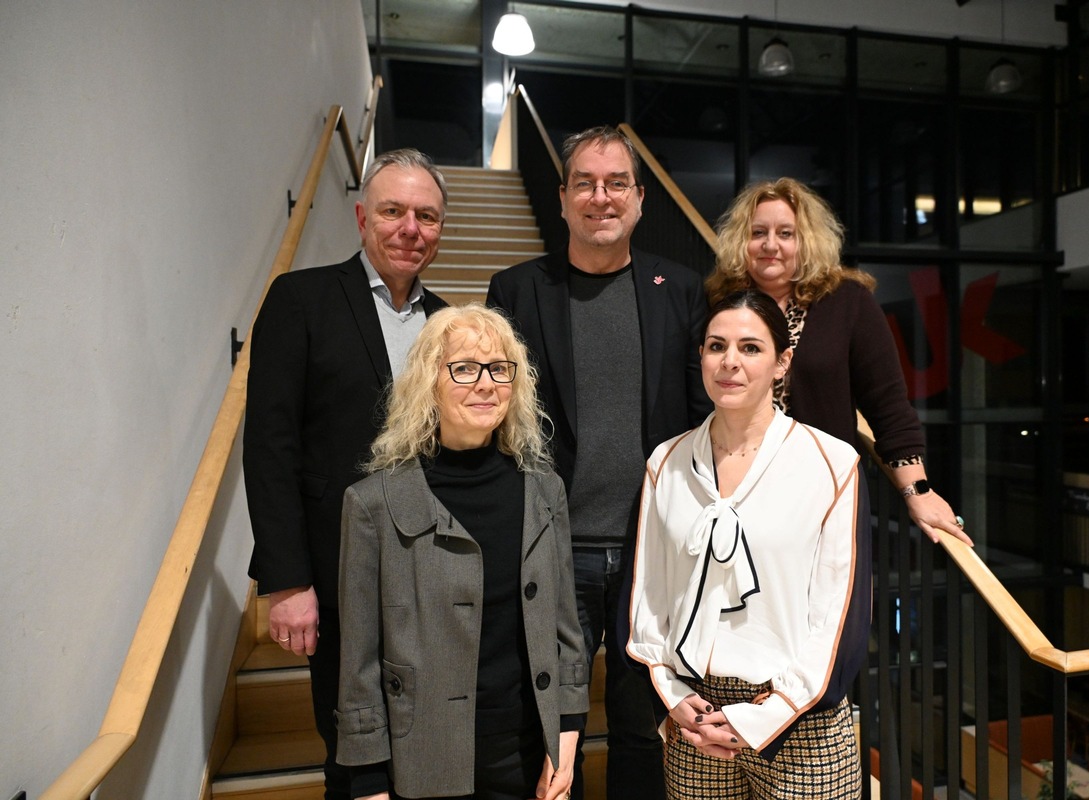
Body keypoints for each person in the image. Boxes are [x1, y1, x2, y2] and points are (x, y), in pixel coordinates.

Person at [487, 125, 711, 800]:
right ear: (561, 199)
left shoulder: (681, 290)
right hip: (554, 549)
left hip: (653, 551)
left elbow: (702, 415)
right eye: (584, 183)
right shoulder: (516, 291)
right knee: (555, 728)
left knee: (643, 726)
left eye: (617, 183)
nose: (601, 197)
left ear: (640, 199)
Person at [243, 148, 450, 799]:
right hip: (336, 578)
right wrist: (287, 580)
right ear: (363, 218)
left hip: (428, 576)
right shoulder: (301, 300)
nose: (410, 228)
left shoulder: (449, 323)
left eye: (426, 216)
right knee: (354, 757)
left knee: (427, 746)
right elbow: (270, 446)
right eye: (393, 211)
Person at [335, 304, 589, 800]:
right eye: (465, 369)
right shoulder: (373, 504)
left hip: (526, 747)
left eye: (499, 369)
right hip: (422, 755)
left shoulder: (545, 491)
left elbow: (565, 628)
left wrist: (568, 730)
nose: (486, 384)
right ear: (429, 382)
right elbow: (358, 659)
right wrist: (367, 781)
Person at [626, 290, 870, 800]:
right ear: (701, 356)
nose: (730, 361)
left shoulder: (831, 463)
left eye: (751, 348)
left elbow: (839, 613)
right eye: (717, 346)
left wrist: (768, 715)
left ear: (783, 363)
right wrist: (671, 695)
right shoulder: (665, 463)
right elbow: (649, 596)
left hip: (799, 715)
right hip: (695, 716)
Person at [706, 178, 971, 546]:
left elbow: (887, 405)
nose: (770, 245)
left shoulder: (847, 301)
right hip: (731, 487)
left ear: (807, 241)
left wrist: (918, 491)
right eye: (758, 232)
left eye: (786, 233)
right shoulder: (718, 302)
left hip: (821, 492)